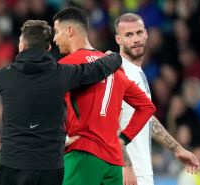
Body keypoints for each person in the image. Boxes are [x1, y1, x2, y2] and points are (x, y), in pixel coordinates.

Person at [0, 20, 123, 185]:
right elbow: (95, 70)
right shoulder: (62, 74)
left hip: (14, 165)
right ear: (48, 48)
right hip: (51, 167)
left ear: (22, 45)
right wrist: (114, 57)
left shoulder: (6, 76)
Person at [53, 7, 156, 185]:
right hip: (114, 163)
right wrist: (123, 140)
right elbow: (147, 107)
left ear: (69, 31)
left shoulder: (66, 66)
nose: (54, 38)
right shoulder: (116, 68)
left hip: (83, 155)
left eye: (56, 32)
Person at [115, 13, 200, 185]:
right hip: (127, 175)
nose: (136, 39)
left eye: (139, 33)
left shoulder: (137, 72)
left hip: (141, 172)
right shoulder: (118, 71)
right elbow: (111, 123)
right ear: (118, 39)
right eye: (128, 35)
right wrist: (126, 166)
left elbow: (145, 119)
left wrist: (177, 149)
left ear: (146, 34)